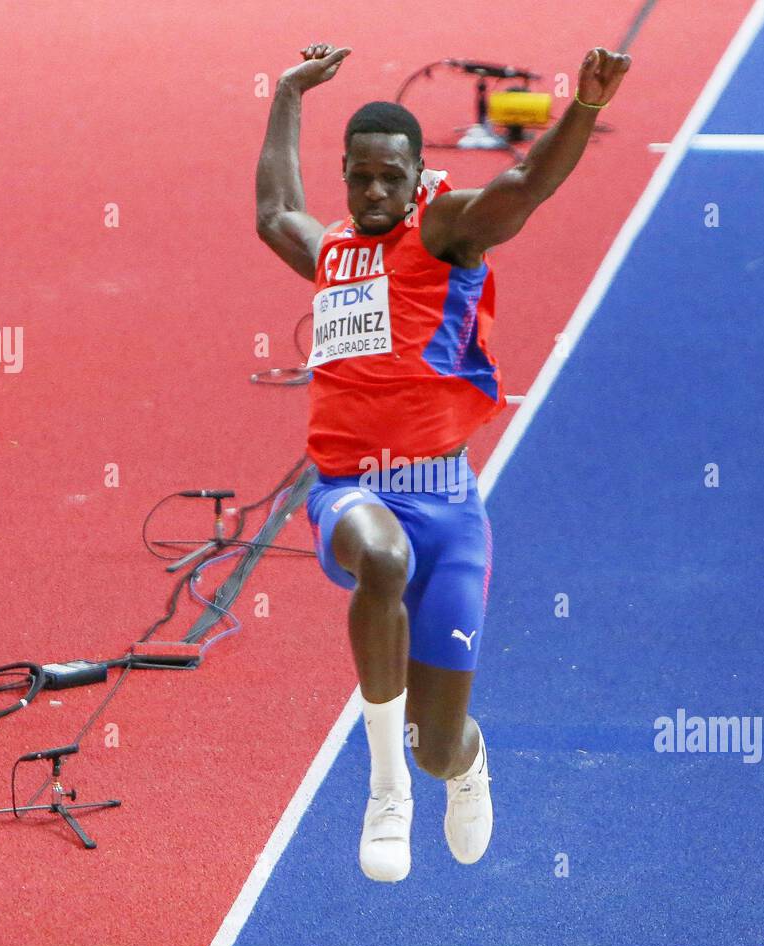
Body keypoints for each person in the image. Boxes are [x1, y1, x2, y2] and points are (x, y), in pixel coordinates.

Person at [255, 42, 631, 881]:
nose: (376, 191)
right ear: (346, 177)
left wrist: (585, 106)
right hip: (351, 491)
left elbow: (524, 189)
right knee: (380, 561)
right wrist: (286, 93)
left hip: (448, 504)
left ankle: (459, 767)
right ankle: (385, 790)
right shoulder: (335, 254)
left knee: (439, 743)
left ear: (420, 173)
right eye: (360, 177)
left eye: (392, 176)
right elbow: (276, 209)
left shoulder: (447, 232)